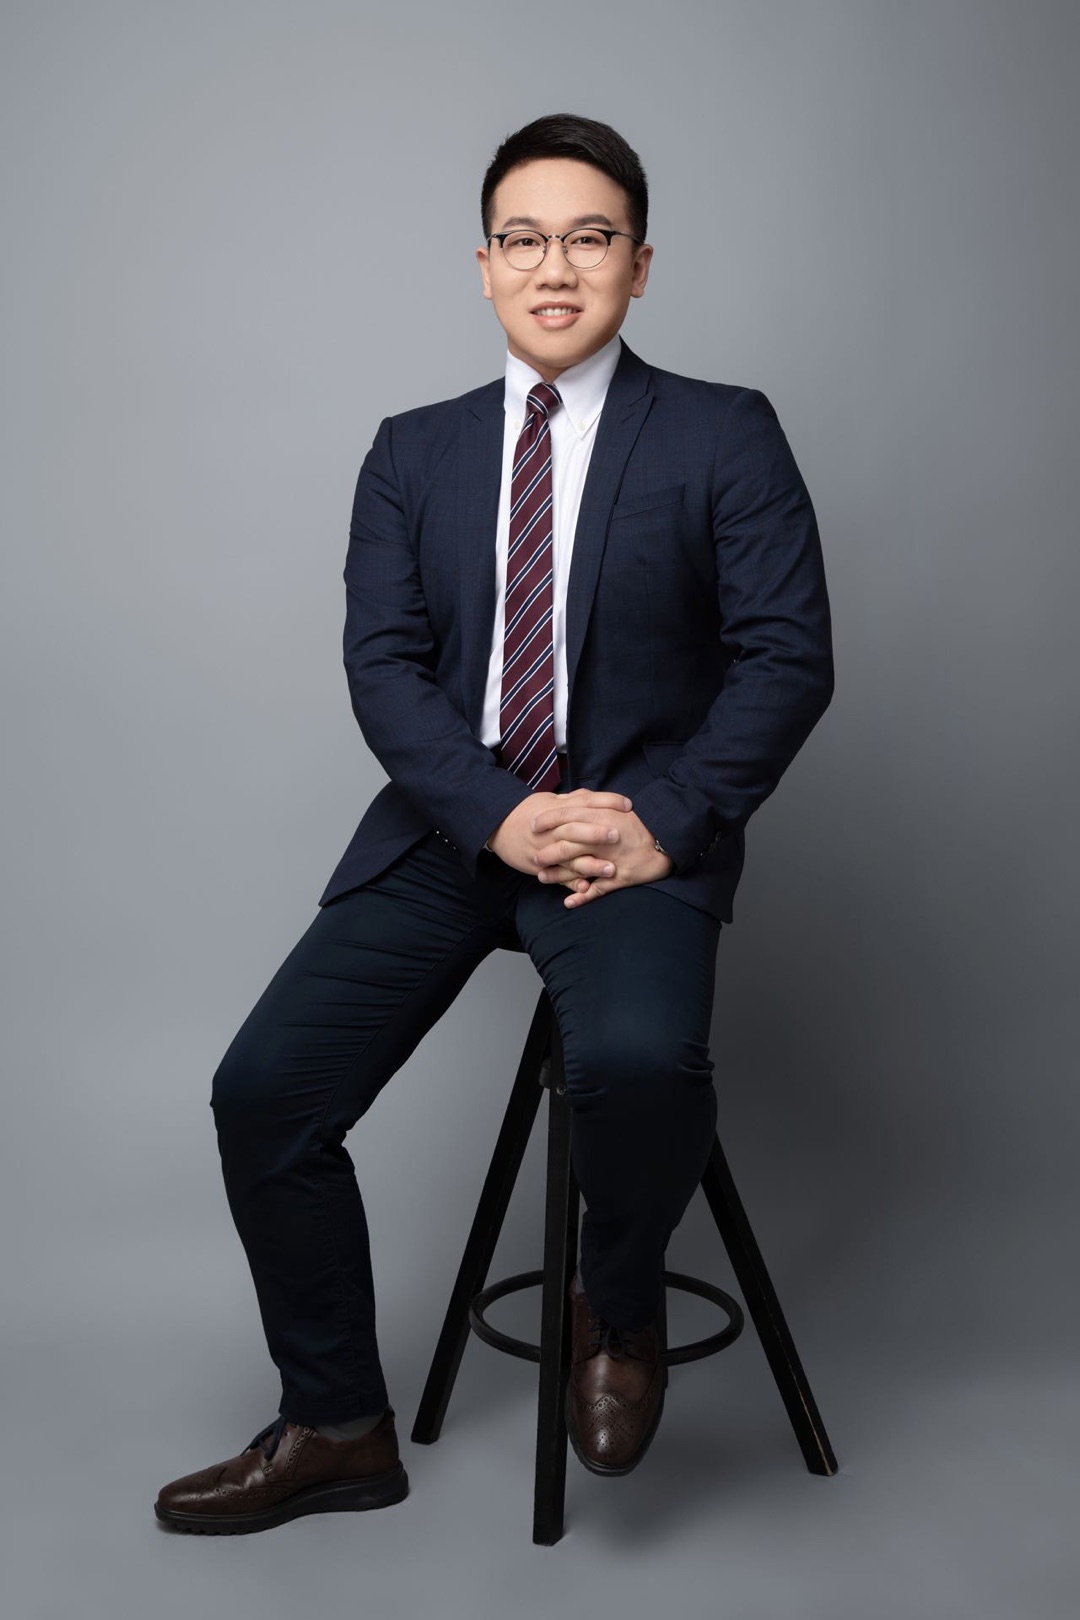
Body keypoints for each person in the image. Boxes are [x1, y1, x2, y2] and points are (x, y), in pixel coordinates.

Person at [155, 112, 833, 1535]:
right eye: (524, 239)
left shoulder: (723, 430)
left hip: (638, 831)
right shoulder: (414, 452)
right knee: (263, 1094)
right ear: (482, 265)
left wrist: (665, 822)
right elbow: (383, 669)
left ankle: (617, 1304)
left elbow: (787, 657)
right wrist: (501, 816)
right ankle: (338, 1423)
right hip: (455, 832)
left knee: (638, 1062)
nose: (555, 267)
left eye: (590, 237)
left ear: (640, 263)